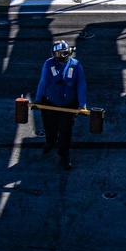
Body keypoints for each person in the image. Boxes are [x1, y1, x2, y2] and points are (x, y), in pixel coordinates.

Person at [35, 40, 87, 170]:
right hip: (50, 102)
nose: (58, 57)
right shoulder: (48, 64)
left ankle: (64, 155)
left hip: (68, 105)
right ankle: (50, 141)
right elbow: (43, 81)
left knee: (65, 132)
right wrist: (37, 99)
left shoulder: (76, 66)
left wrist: (82, 104)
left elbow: (81, 86)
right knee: (49, 127)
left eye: (60, 54)